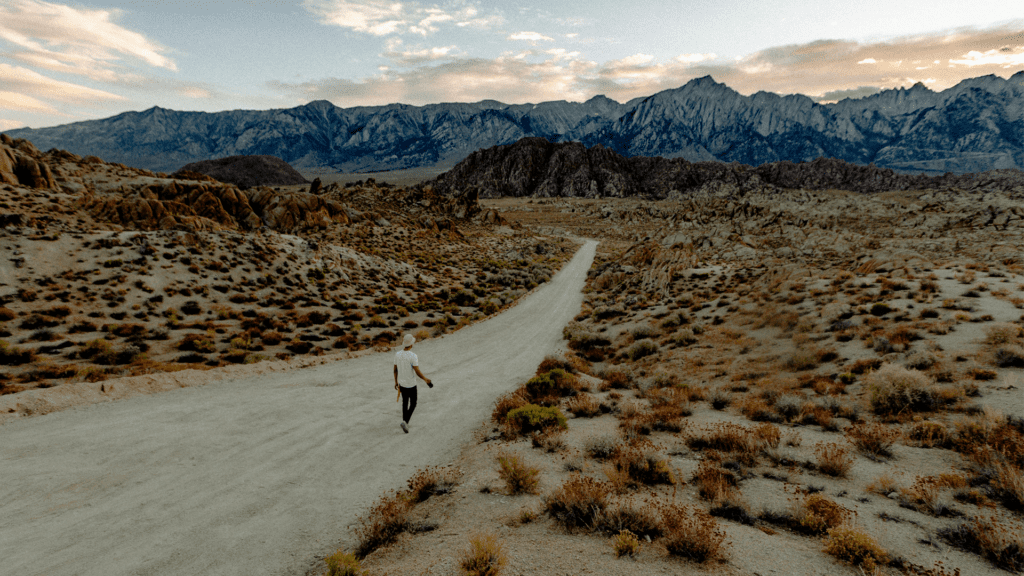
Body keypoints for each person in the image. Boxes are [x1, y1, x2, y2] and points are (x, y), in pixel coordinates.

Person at [394, 333, 432, 433]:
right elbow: (417, 371)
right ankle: (405, 422)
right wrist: (425, 379)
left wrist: (396, 382)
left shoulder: (397, 354)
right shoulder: (413, 356)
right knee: (413, 403)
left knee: (405, 403)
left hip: (402, 384)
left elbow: (395, 370)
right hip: (411, 384)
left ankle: (404, 422)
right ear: (411, 344)